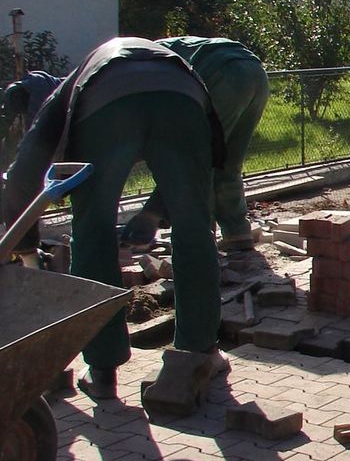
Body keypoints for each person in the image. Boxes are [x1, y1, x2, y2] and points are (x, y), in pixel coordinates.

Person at [2, 37, 224, 400]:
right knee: (194, 227)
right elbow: (200, 170)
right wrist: (156, 211)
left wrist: (25, 249)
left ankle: (103, 371)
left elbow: (23, 174)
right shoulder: (158, 65)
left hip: (109, 107)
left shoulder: (64, 94)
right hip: (184, 99)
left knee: (92, 231)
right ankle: (199, 352)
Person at [121, 36, 269, 252]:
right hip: (255, 72)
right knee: (227, 161)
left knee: (201, 157)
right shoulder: (148, 55)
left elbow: (187, 155)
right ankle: (237, 233)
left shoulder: (134, 67)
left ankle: (198, 240)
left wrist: (151, 212)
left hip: (220, 74)